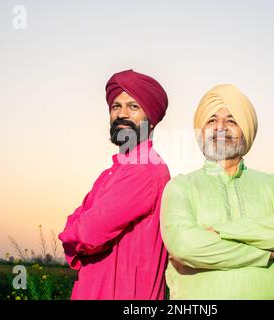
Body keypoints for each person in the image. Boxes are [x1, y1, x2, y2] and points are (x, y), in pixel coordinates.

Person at [160, 84, 274, 299]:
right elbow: (185, 247)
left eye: (231, 120)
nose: (220, 127)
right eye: (212, 120)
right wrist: (267, 251)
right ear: (201, 130)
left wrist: (219, 232)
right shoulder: (180, 187)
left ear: (246, 130)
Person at [58, 69, 170, 299]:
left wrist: (79, 236)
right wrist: (79, 233)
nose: (122, 114)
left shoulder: (144, 170)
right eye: (116, 106)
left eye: (133, 107)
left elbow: (86, 232)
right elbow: (74, 227)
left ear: (152, 118)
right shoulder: (113, 172)